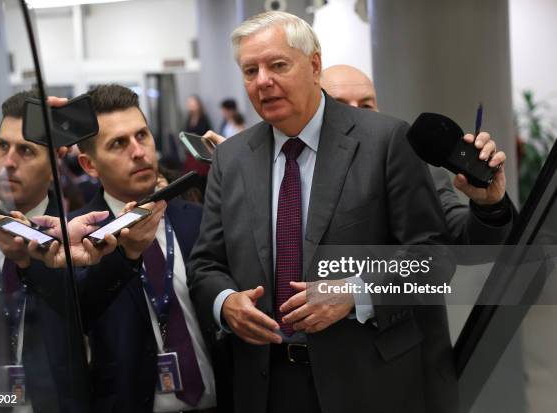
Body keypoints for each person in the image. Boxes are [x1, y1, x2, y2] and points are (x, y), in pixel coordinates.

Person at [188, 11, 460, 413]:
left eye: (278, 65)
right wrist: (225, 303)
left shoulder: (385, 141)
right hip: (266, 383)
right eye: (250, 70)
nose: (263, 80)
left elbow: (435, 259)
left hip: (368, 381)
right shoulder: (231, 158)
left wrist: (355, 292)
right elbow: (205, 264)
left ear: (314, 65)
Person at [0, 90, 96, 411]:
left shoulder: (78, 242)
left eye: (25, 150)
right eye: (2, 146)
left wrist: (30, 260)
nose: (9, 162)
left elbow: (85, 312)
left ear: (56, 159)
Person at [73, 84, 219, 413]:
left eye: (142, 136)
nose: (138, 152)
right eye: (118, 144)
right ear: (89, 165)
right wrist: (126, 255)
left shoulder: (198, 219)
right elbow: (75, 312)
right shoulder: (77, 236)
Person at [320, 64, 515, 245]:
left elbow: (457, 237)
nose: (359, 117)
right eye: (341, 106)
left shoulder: (412, 166)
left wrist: (489, 206)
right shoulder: (298, 164)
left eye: (366, 106)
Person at [183, 95, 212, 183]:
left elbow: (207, 134)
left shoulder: (203, 118)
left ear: (198, 104)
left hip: (201, 152)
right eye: (189, 103)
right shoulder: (189, 117)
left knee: (201, 176)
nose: (190, 105)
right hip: (191, 152)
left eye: (192, 103)